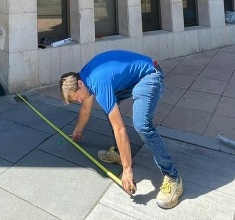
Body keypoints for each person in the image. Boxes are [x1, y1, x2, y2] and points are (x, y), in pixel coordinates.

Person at [59, 50, 182, 209]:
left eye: (77, 97)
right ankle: (119, 151)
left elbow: (120, 129)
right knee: (107, 106)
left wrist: (127, 169)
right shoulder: (85, 77)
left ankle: (173, 177)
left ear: (79, 84)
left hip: (150, 74)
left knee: (142, 125)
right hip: (131, 80)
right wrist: (77, 130)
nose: (79, 100)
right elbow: (85, 109)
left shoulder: (98, 83)